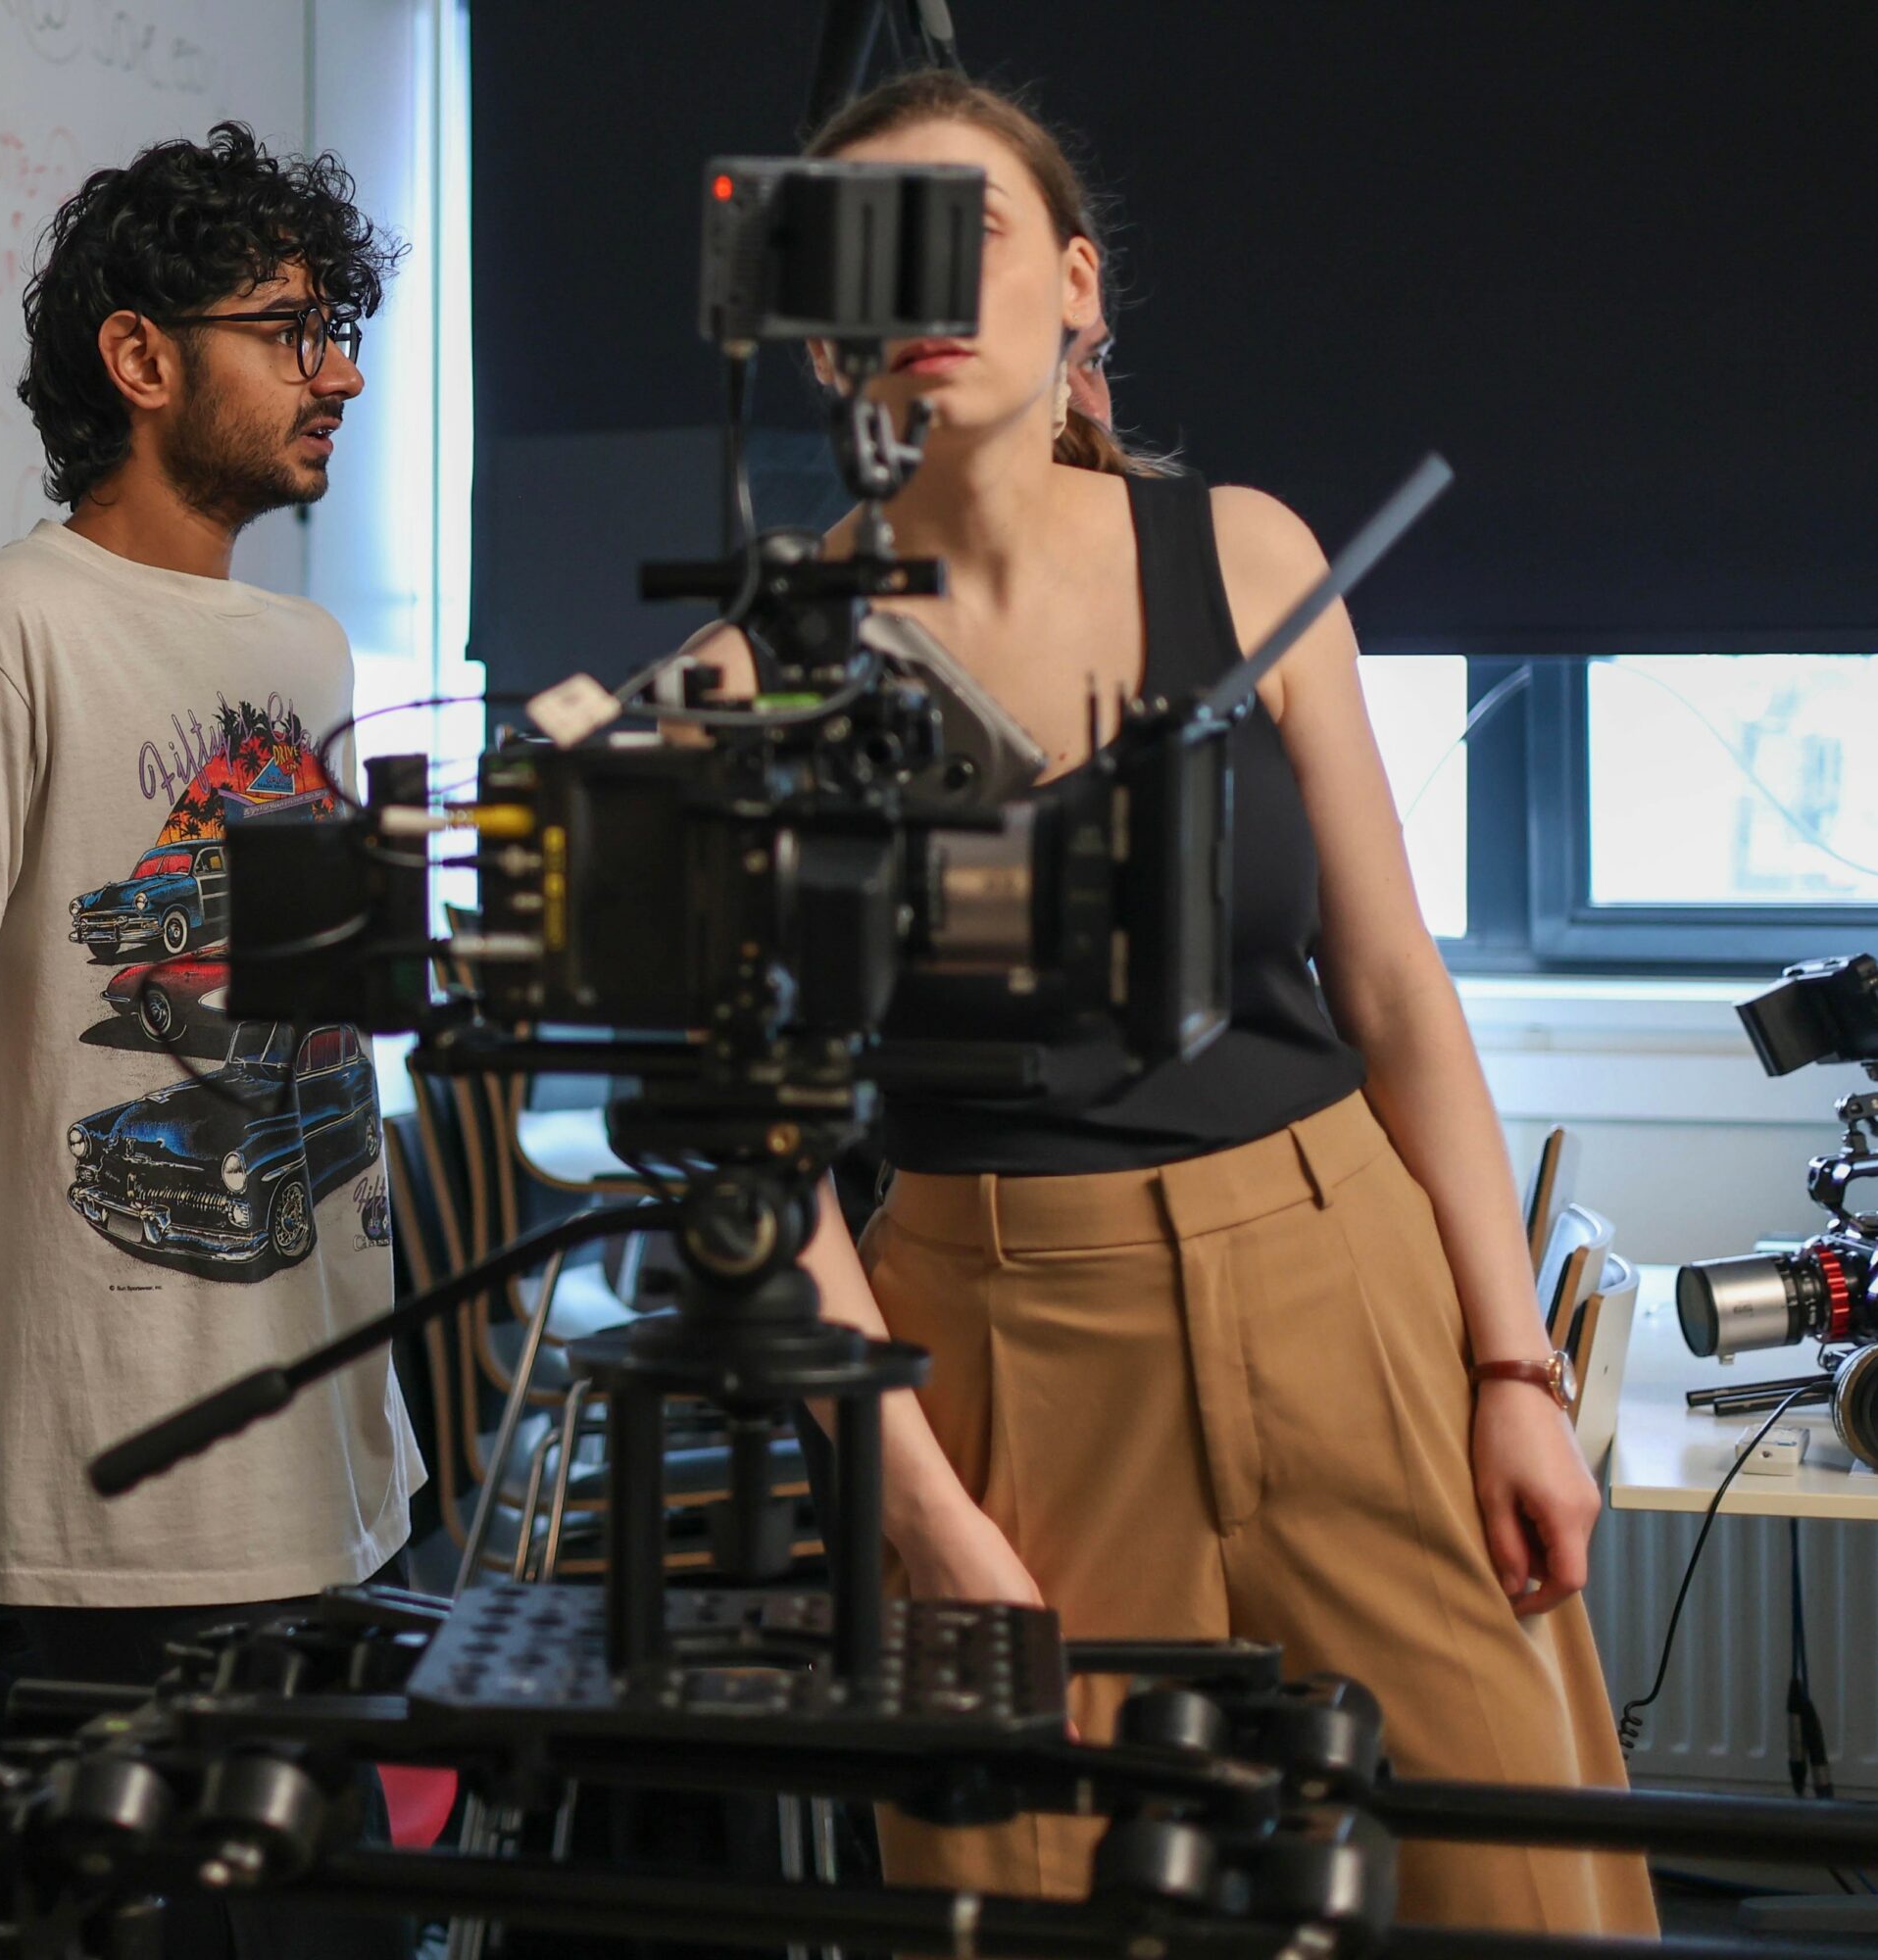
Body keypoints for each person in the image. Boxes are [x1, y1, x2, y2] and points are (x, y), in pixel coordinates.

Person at [688, 73, 1656, 1936]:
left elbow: (1392, 991)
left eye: (958, 236)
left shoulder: (1250, 556)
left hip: (1343, 1289)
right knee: (1044, 1899)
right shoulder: (745, 687)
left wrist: (1509, 1367)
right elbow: (762, 1190)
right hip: (1002, 1358)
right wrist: (923, 1521)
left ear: (1075, 286)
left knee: (1523, 1888)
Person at [0, 121, 422, 1958]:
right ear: (143, 361)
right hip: (132, 1502)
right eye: (296, 331)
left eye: (346, 329)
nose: (346, 373)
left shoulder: (303, 650)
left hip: (338, 1472)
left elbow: (322, 1034)